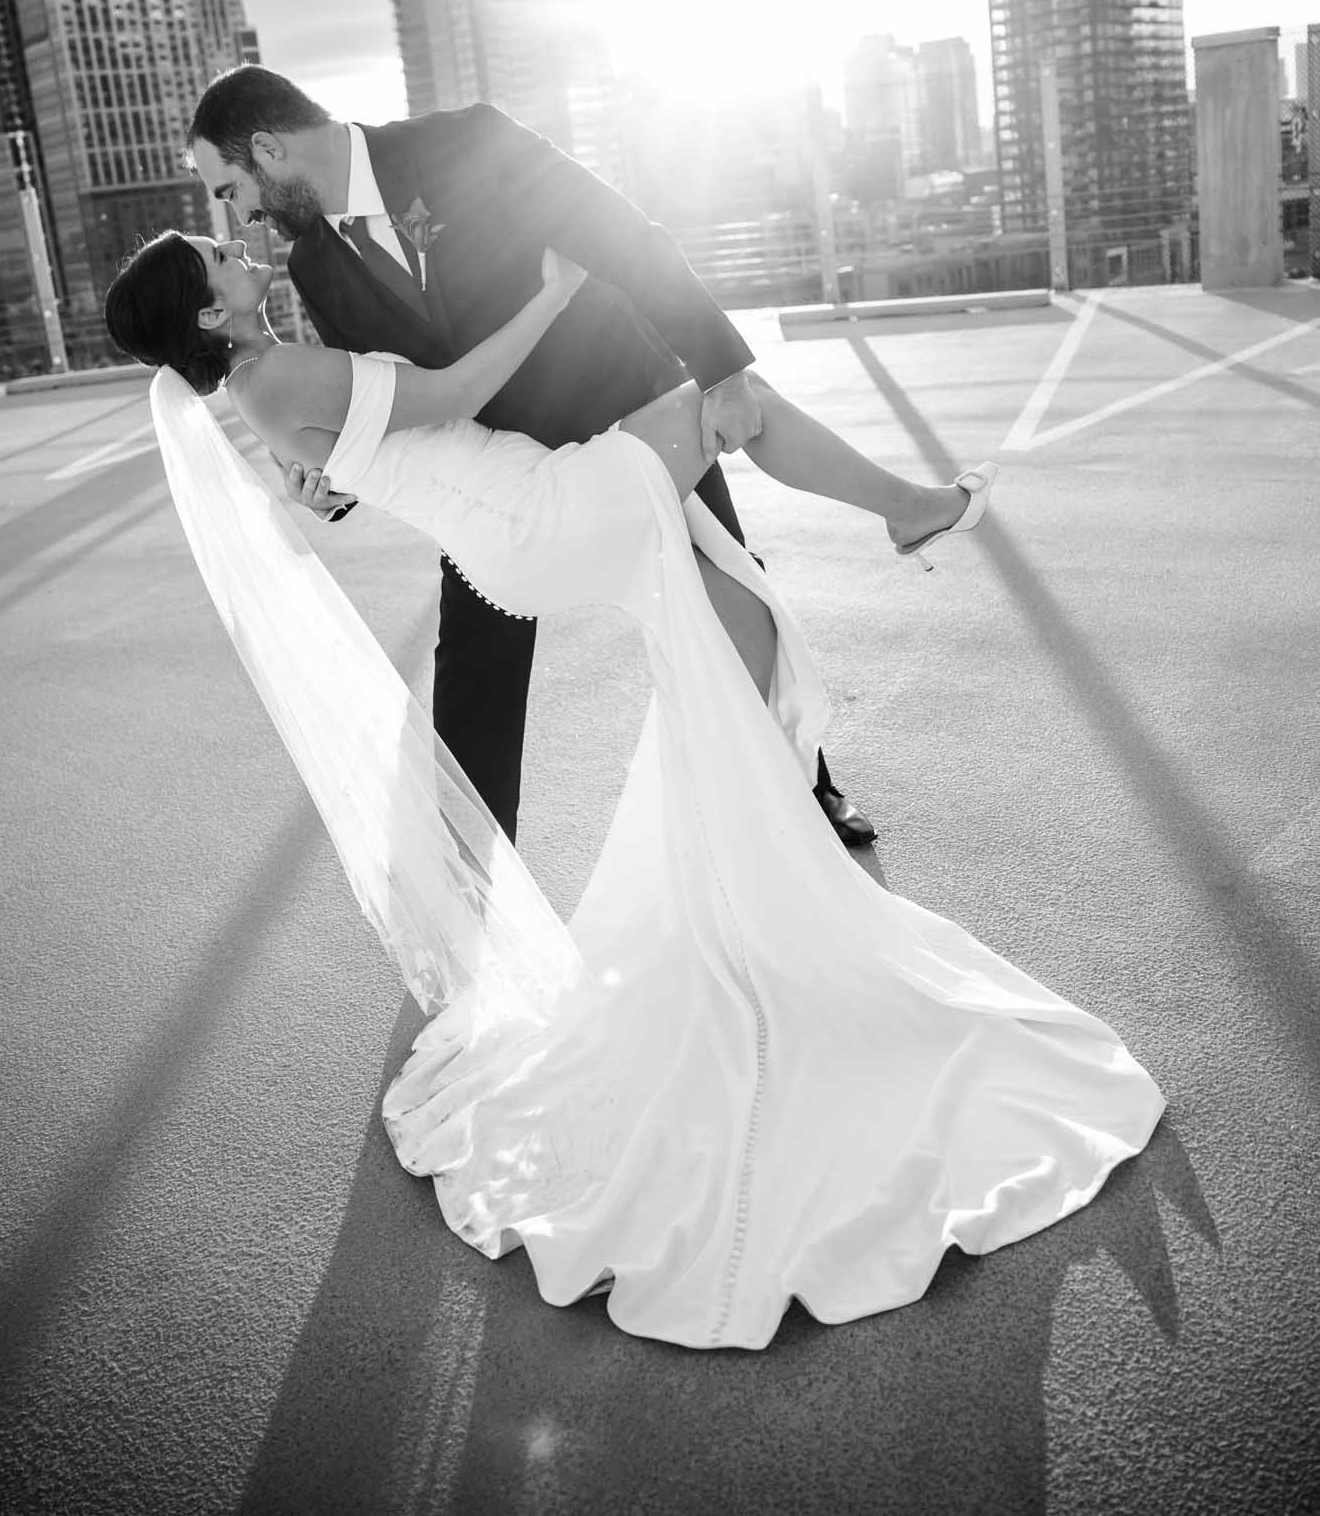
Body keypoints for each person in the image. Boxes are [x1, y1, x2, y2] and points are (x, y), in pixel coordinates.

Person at [104, 228, 1164, 1353]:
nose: (234, 240)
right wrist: (552, 292)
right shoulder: (282, 375)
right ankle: (902, 512)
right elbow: (459, 387)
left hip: (509, 521)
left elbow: (346, 466)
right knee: (723, 401)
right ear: (212, 316)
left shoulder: (270, 379)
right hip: (535, 510)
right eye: (214, 252)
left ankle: (741, 841)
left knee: (733, 618)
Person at [184, 65, 879, 852]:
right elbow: (381, 398)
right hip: (500, 474)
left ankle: (807, 783)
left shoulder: (463, 142)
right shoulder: (314, 264)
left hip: (621, 402)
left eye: (229, 187)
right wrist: (328, 484)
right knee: (476, 653)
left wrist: (720, 372)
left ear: (270, 149)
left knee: (727, 574)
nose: (236, 213)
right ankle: (477, 871)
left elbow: (625, 238)